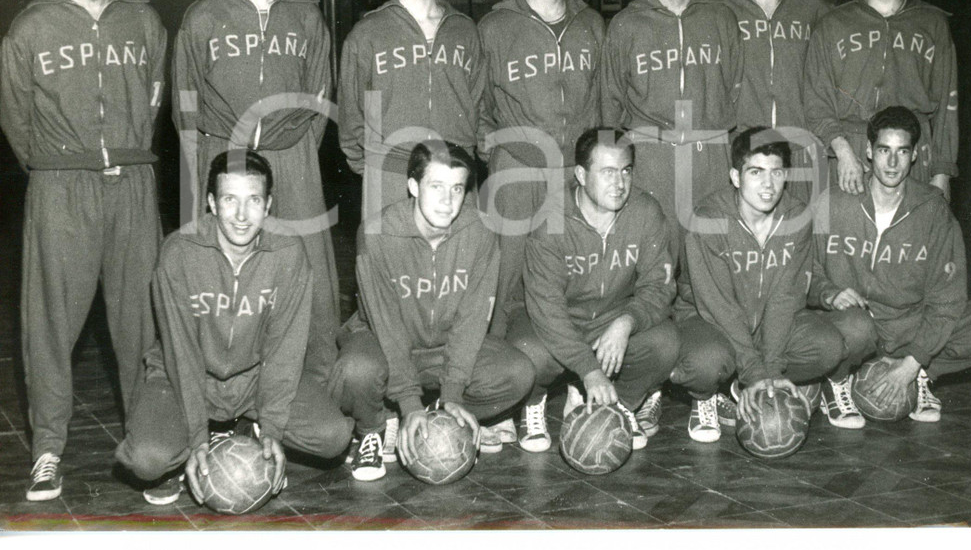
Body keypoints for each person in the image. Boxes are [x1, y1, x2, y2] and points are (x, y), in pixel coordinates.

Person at [0, 0, 167, 501]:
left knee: (142, 322)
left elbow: (153, 102)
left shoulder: (143, 20)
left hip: (132, 185)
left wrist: (121, 153)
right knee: (49, 324)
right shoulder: (30, 27)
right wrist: (57, 165)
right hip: (59, 188)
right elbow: (16, 120)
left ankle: (153, 446)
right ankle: (48, 448)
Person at [115, 151, 377, 504]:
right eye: (229, 200)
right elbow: (182, 354)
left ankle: (247, 428)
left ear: (268, 204)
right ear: (211, 202)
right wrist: (196, 438)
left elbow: (284, 351)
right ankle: (187, 450)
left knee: (332, 437)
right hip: (185, 378)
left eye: (253, 200)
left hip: (255, 378)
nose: (241, 215)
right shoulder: (179, 252)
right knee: (148, 460)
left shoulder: (288, 253)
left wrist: (271, 428)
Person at [172, 0, 340, 387]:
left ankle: (318, 391)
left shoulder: (306, 14)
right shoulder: (202, 15)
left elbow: (320, 99)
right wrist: (199, 172)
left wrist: (296, 152)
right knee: (225, 281)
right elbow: (185, 104)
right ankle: (223, 399)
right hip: (224, 157)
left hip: (293, 159)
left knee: (311, 278)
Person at [339, 141, 534, 465]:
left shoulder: (480, 232)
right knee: (354, 372)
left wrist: (454, 392)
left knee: (517, 372)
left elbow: (472, 320)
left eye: (457, 189)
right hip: (384, 344)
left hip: (443, 348)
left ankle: (441, 414)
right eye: (437, 187)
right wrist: (409, 400)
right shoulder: (377, 233)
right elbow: (386, 324)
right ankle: (375, 427)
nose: (447, 201)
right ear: (413, 186)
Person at [672, 128, 858, 442]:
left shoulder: (795, 217)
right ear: (735, 176)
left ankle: (739, 386)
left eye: (777, 173)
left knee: (829, 346)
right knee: (707, 362)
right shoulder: (707, 219)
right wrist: (755, 371)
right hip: (710, 323)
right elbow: (719, 307)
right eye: (756, 172)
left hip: (765, 326)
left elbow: (785, 298)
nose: (768, 185)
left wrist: (769, 369)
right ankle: (705, 398)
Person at [478, 0, 607, 340]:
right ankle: (497, 381)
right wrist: (495, 148)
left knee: (573, 278)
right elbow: (477, 104)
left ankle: (572, 384)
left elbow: (604, 100)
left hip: (573, 172)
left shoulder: (591, 23)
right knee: (502, 281)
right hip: (516, 171)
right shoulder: (495, 26)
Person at [809, 106, 971, 425]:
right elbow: (807, 271)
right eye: (884, 150)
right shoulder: (833, 202)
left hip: (907, 324)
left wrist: (914, 361)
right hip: (856, 324)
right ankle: (839, 380)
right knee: (853, 329)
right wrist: (829, 293)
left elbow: (947, 299)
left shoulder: (933, 210)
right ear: (869, 152)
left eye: (901, 152)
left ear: (914, 155)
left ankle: (922, 375)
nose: (891, 162)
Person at [512, 127, 679, 452]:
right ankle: (534, 403)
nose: (619, 184)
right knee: (529, 354)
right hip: (556, 321)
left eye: (626, 171)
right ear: (580, 175)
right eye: (607, 173)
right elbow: (547, 311)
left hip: (611, 319)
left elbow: (659, 287)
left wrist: (627, 321)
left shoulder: (645, 212)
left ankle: (621, 404)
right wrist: (589, 369)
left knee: (665, 342)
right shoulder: (551, 220)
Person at [601, 0, 743, 260]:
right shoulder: (627, 23)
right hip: (653, 157)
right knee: (654, 257)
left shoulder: (720, 17)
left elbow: (736, 90)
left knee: (710, 254)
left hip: (709, 156)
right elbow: (610, 101)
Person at [339, 0, 485, 227]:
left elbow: (479, 104)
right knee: (393, 269)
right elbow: (352, 115)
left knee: (459, 267)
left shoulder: (465, 30)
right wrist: (377, 168)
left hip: (454, 170)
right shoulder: (368, 33)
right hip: (391, 172)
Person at [805, 0, 959, 201]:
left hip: (912, 152)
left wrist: (942, 172)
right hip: (851, 152)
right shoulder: (833, 24)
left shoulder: (932, 23)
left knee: (912, 239)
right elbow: (817, 99)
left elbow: (948, 105)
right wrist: (841, 151)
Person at [711, 0, 830, 202]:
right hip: (742, 148)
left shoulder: (812, 6)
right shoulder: (717, 5)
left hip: (799, 148)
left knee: (803, 236)